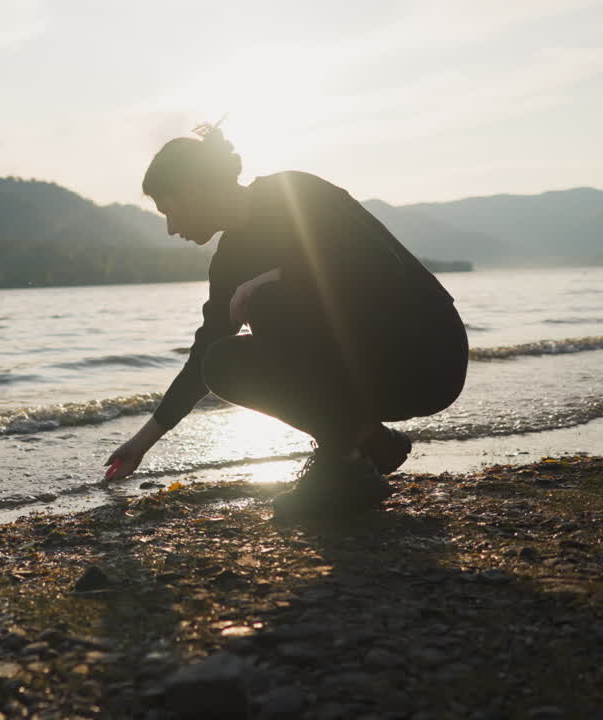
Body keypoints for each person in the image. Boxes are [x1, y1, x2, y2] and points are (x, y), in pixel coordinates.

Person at [103, 124, 469, 519]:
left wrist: (275, 278)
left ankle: (344, 462)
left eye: (169, 210)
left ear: (192, 190)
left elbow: (381, 267)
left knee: (270, 301)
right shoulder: (229, 262)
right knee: (220, 360)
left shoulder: (296, 194)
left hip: (429, 352)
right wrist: (141, 444)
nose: (171, 228)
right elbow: (201, 358)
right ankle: (367, 445)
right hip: (369, 374)